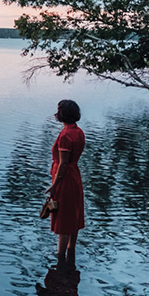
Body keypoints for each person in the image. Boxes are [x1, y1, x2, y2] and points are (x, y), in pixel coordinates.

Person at [47, 99, 85, 267]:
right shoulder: (79, 132)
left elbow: (63, 163)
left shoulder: (65, 135)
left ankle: (60, 259)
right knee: (74, 214)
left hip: (65, 178)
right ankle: (72, 250)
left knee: (63, 218)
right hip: (75, 176)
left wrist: (54, 185)